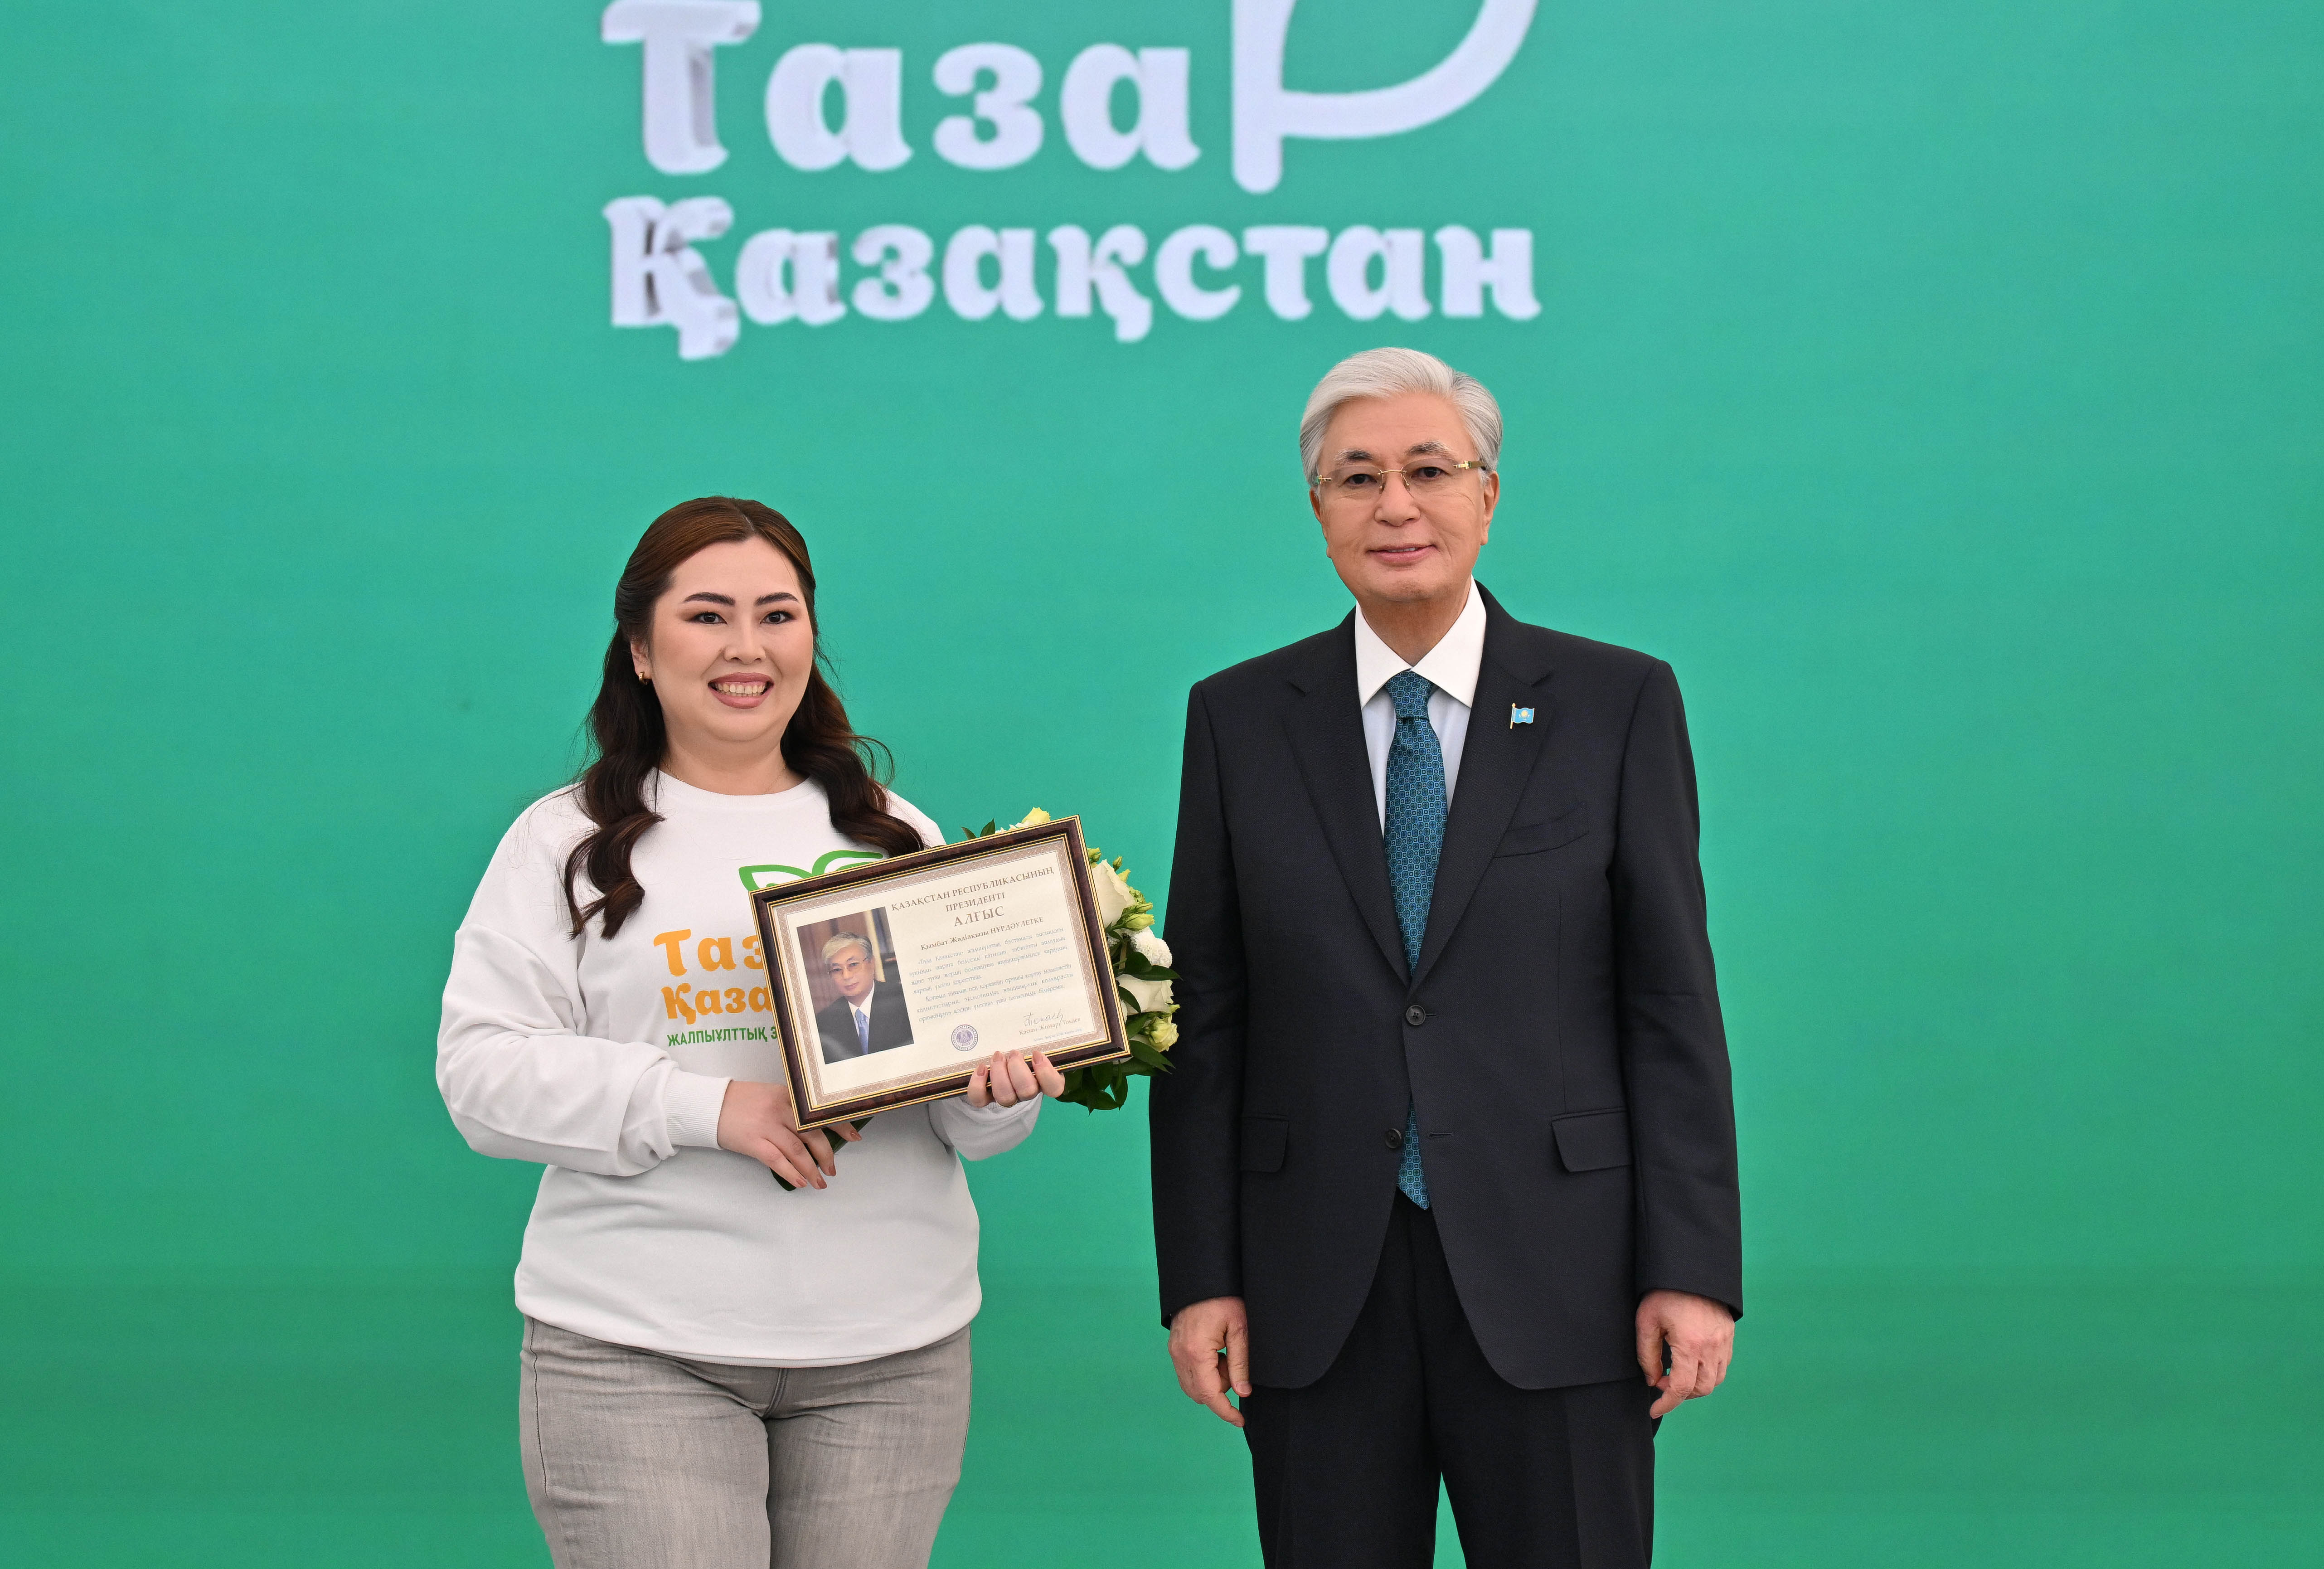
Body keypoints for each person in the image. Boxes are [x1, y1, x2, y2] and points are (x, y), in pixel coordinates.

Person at [1149, 349, 1743, 1568]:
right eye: (1356, 477)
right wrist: (1201, 1275)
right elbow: (1207, 1016)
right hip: (1316, 1279)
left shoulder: (1613, 701)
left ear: (1486, 494)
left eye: (1427, 470)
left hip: (1564, 1275)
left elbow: (1667, 1001)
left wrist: (1690, 1268)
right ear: (1317, 508)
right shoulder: (1238, 717)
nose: (1394, 506)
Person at [437, 496, 1067, 1569]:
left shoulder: (891, 832)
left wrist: (995, 1094)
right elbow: (481, 1074)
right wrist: (711, 1107)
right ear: (640, 649)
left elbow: (958, 1123)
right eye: (706, 615)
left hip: (892, 1353)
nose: (746, 647)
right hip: (638, 1346)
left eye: (777, 614)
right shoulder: (566, 839)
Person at [815, 929, 912, 1061]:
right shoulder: (824, 1023)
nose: (847, 976)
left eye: (853, 965)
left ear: (872, 963)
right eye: (837, 970)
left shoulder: (904, 1000)